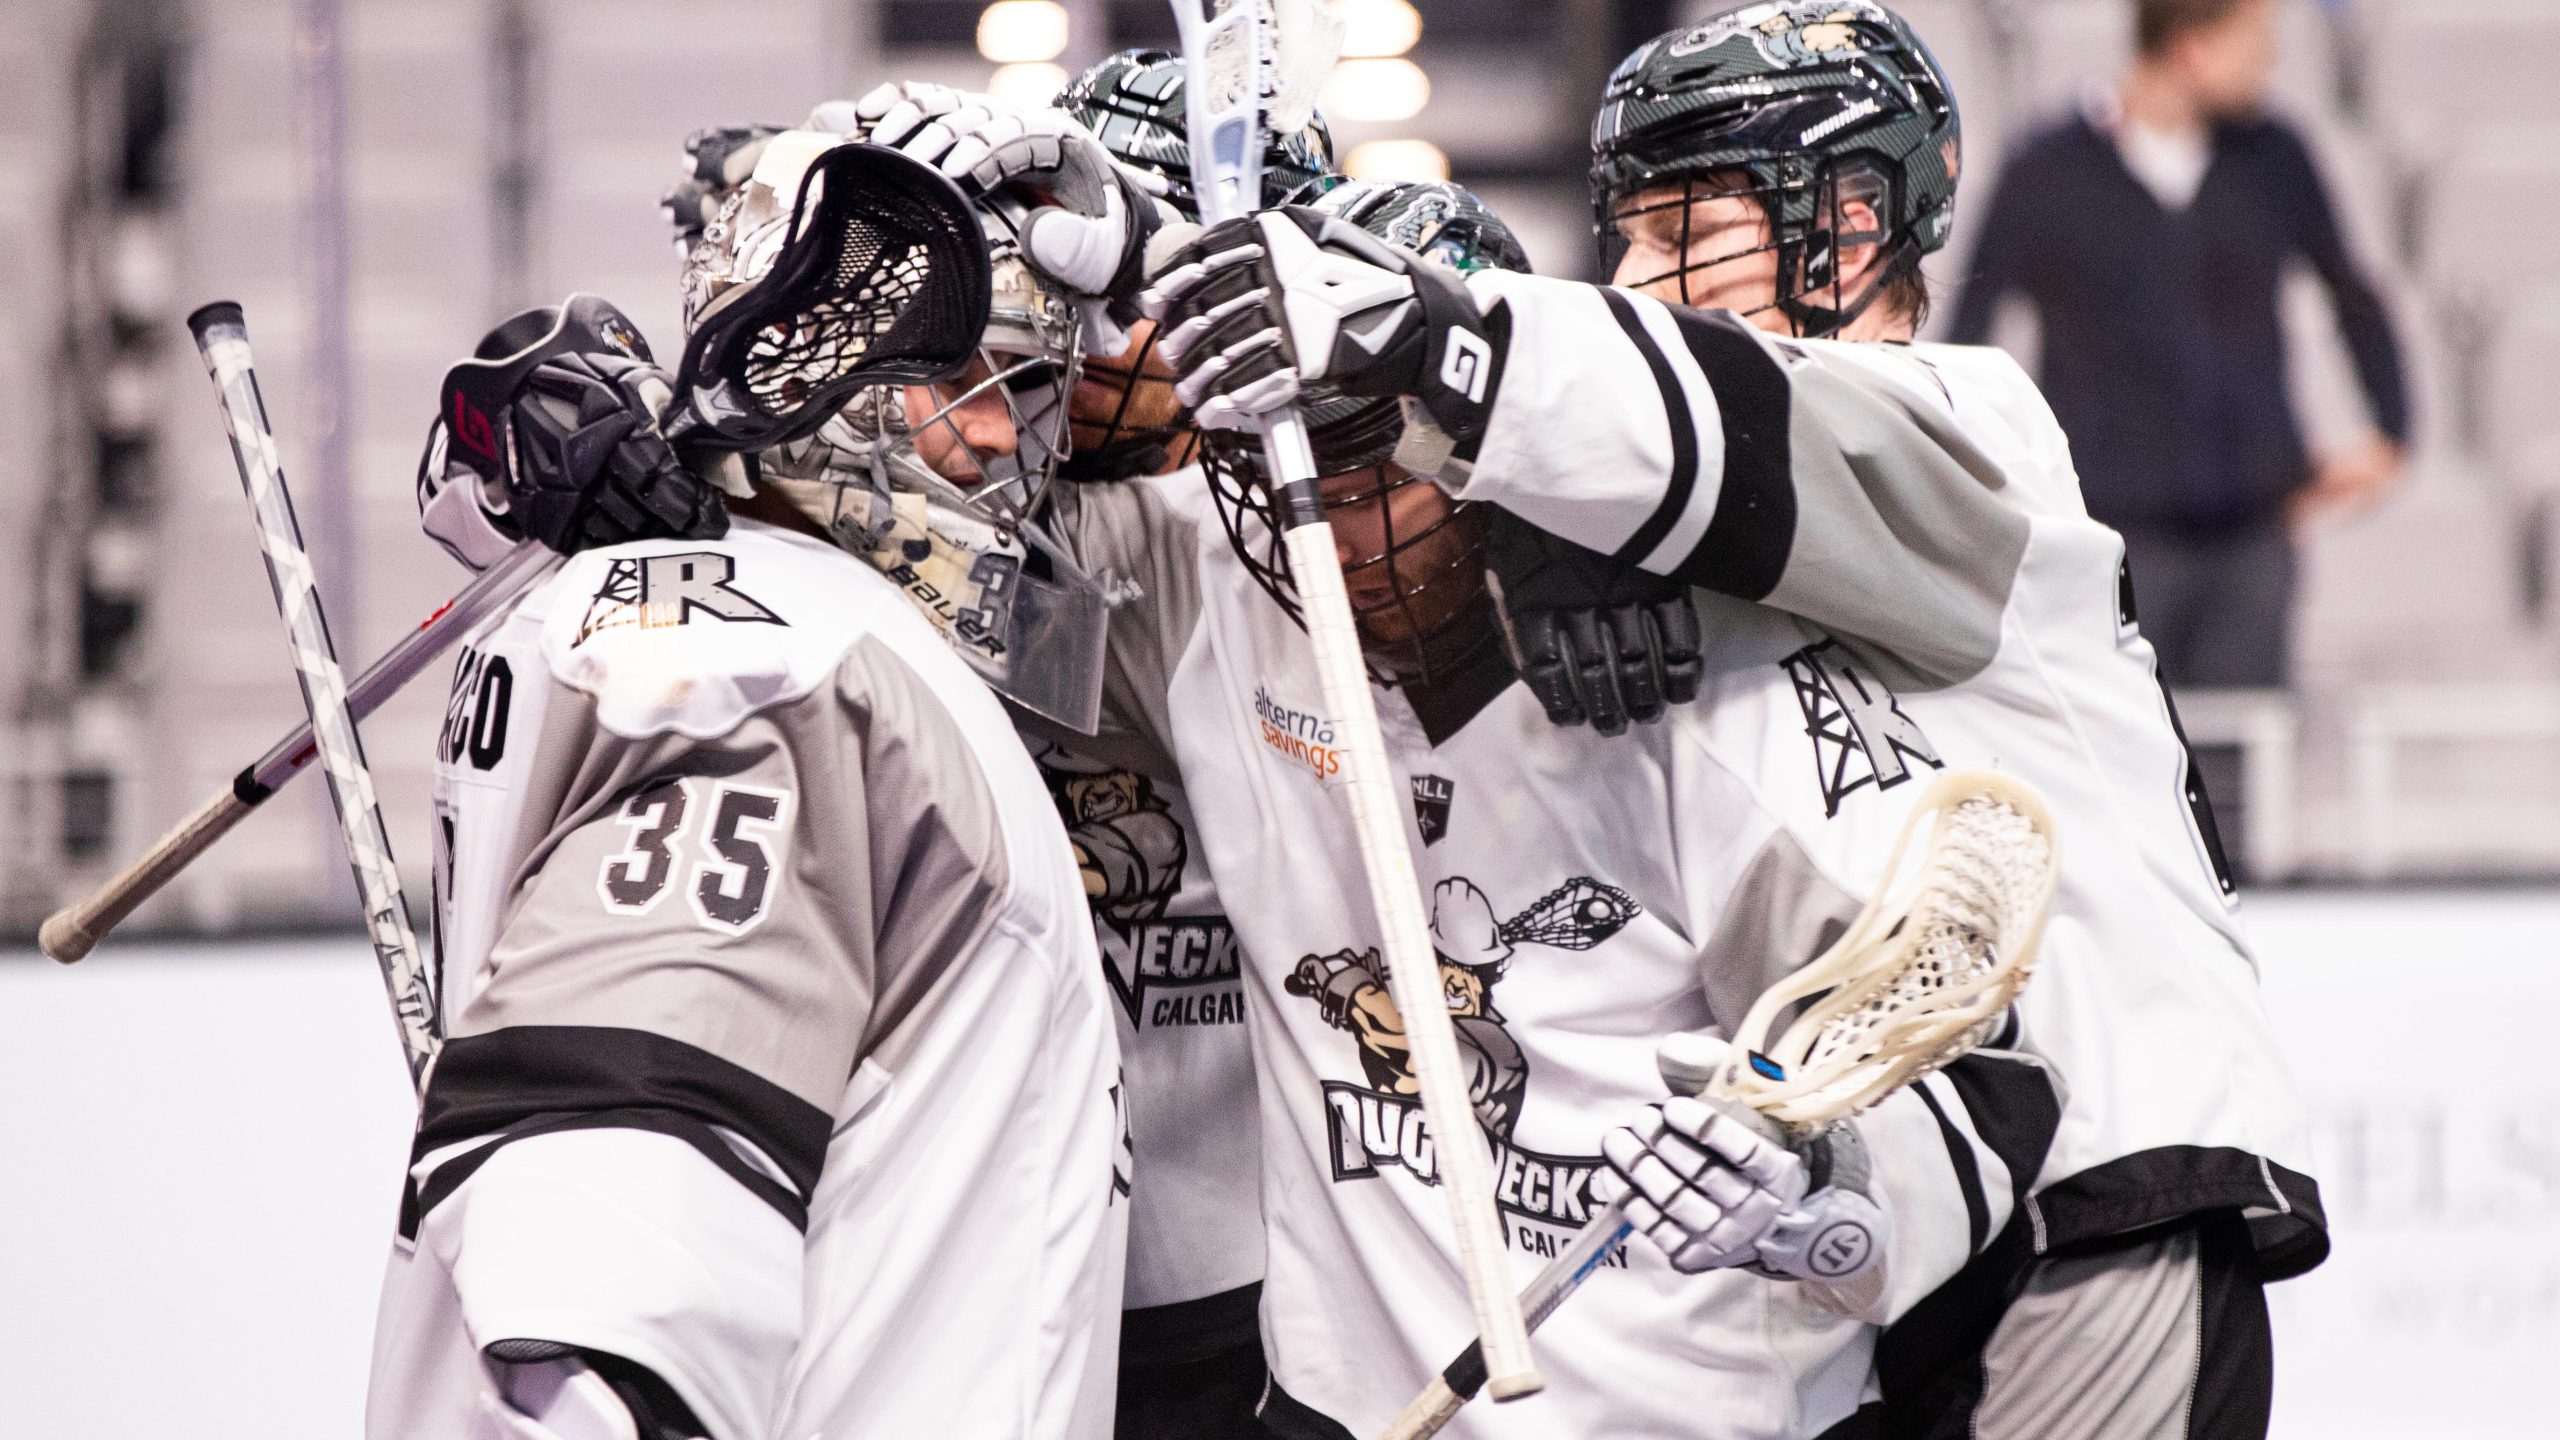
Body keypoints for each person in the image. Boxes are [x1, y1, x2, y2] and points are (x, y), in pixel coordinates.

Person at [1129, 2, 2324, 1436]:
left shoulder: (1971, 422)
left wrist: (1426, 337)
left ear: (1855, 216)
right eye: (1624, 233)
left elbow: (1753, 433)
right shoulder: (1695, 518)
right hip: (1928, 1255)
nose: (1637, 273)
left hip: (2105, 1202)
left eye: (1684, 229)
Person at [376, 144, 1126, 1440]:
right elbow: (614, 1262)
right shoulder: (767, 658)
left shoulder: (800, 632)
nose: (1012, 428)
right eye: (960, 373)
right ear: (818, 390)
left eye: (1034, 380)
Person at [1946, 0, 2410, 690]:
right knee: (2118, 762)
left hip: (2254, 533)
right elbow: (1970, 332)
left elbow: (2353, 292)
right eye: (2256, 43)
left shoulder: (2275, 156)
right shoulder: (2046, 168)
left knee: (2240, 772)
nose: (2271, 63)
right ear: (2192, 45)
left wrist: (2391, 429)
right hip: (2109, 535)